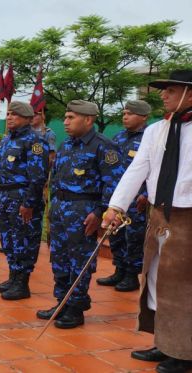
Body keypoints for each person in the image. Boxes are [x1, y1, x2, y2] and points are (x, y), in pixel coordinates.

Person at [102, 70, 192, 373]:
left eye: (170, 90)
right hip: (158, 213)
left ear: (189, 94)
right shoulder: (156, 131)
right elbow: (136, 170)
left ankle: (182, 352)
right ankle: (163, 342)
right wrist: (115, 206)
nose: (163, 95)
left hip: (187, 216)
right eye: (163, 90)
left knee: (180, 286)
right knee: (153, 277)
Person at [36, 100, 124, 329]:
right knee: (59, 259)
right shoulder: (66, 145)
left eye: (71, 117)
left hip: (84, 213)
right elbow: (55, 178)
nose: (65, 122)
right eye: (65, 117)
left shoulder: (104, 146)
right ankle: (62, 302)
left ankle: (75, 308)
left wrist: (99, 212)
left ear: (88, 120)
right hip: (61, 211)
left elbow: (113, 184)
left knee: (80, 261)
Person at [0, 102, 49, 300]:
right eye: (9, 114)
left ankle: (22, 284)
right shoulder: (6, 141)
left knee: (24, 239)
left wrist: (29, 203)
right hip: (4, 196)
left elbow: (38, 177)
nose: (10, 117)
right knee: (8, 240)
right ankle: (13, 277)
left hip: (21, 198)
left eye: (15, 114)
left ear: (27, 118)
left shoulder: (35, 142)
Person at [96, 100, 150, 292]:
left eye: (130, 113)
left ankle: (131, 276)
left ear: (144, 117)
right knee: (116, 234)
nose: (125, 116)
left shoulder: (149, 138)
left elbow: (153, 169)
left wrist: (145, 194)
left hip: (137, 200)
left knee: (134, 237)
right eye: (124, 113)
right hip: (117, 198)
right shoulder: (118, 137)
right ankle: (119, 270)